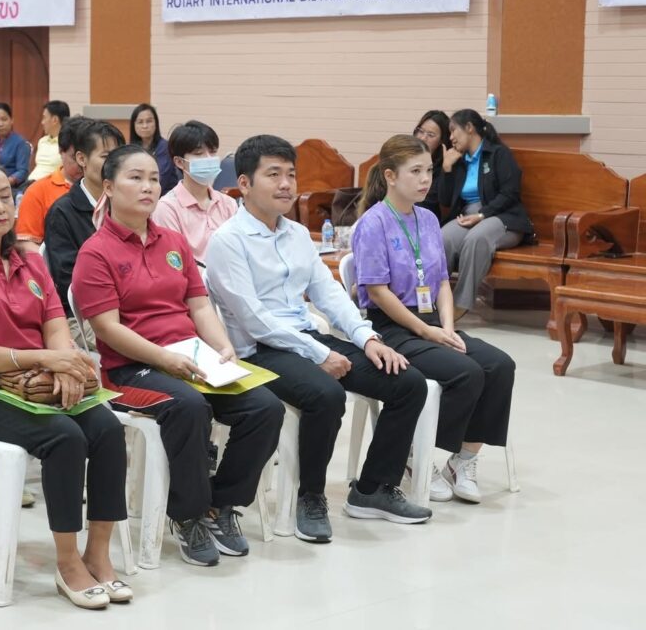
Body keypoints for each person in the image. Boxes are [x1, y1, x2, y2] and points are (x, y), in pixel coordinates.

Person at [205, 134, 432, 544]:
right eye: (273, 175)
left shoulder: (296, 234)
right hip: (258, 351)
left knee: (407, 382)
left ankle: (372, 490)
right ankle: (311, 496)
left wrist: (367, 339)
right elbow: (254, 320)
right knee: (325, 394)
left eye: (291, 175)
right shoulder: (227, 241)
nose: (286, 184)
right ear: (244, 184)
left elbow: (329, 295)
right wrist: (319, 352)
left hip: (306, 338)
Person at [0, 160, 129, 608]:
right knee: (64, 437)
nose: (1, 206)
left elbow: (55, 324)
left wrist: (63, 367)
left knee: (108, 429)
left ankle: (98, 553)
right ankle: (67, 561)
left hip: (40, 380)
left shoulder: (30, 261)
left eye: (6, 195)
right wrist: (50, 360)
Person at [72, 144, 283, 567]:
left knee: (265, 407)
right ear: (108, 187)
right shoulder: (95, 252)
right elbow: (108, 329)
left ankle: (219, 504)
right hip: (130, 370)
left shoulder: (172, 241)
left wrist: (222, 347)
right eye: (135, 178)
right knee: (188, 406)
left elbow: (199, 306)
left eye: (153, 178)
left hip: (191, 358)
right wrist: (163, 359)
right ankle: (188, 515)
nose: (148, 187)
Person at [353, 134, 515, 504]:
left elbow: (441, 281)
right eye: (415, 171)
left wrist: (447, 327)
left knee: (499, 365)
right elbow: (378, 292)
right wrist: (427, 331)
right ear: (390, 176)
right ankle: (413, 453)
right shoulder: (373, 223)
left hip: (433, 321)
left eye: (428, 170)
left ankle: (463, 461)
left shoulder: (427, 219)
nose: (425, 179)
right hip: (392, 326)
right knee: (466, 372)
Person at [440, 109, 533, 316]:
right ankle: (436, 301)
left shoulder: (498, 154)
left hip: (504, 217)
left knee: (476, 239)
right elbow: (445, 200)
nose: (451, 137)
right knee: (443, 238)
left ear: (469, 128)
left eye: (454, 130)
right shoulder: (459, 160)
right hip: (470, 215)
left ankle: (461, 304)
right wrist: (446, 168)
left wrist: (482, 214)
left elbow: (510, 193)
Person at [43, 120, 124, 342]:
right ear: (81, 159)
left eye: (118, 157)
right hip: (85, 316)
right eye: (106, 156)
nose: (114, 164)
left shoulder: (125, 204)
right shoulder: (62, 212)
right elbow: (69, 282)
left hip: (128, 306)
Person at [151, 120, 237, 265]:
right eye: (199, 154)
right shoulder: (166, 208)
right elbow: (175, 263)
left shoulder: (228, 203)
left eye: (213, 152)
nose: (209, 159)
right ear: (179, 162)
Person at [15, 115, 91, 254]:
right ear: (61, 151)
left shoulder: (107, 189)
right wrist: (54, 261)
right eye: (75, 157)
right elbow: (25, 243)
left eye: (87, 157)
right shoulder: (37, 191)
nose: (83, 164)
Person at [411, 110, 451, 221]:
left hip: (425, 219)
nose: (423, 138)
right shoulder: (406, 158)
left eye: (431, 135)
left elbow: (429, 202)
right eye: (421, 131)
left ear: (441, 141)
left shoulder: (443, 166)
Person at [129, 104, 176, 195]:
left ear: (156, 123)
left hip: (163, 198)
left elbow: (160, 179)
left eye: (149, 121)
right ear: (134, 125)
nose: (145, 126)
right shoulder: (130, 150)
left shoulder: (165, 147)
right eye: (140, 122)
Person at [28, 100, 70, 182]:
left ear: (55, 120)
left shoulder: (67, 143)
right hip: (31, 182)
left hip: (51, 185)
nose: (42, 122)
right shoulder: (42, 141)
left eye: (44, 118)